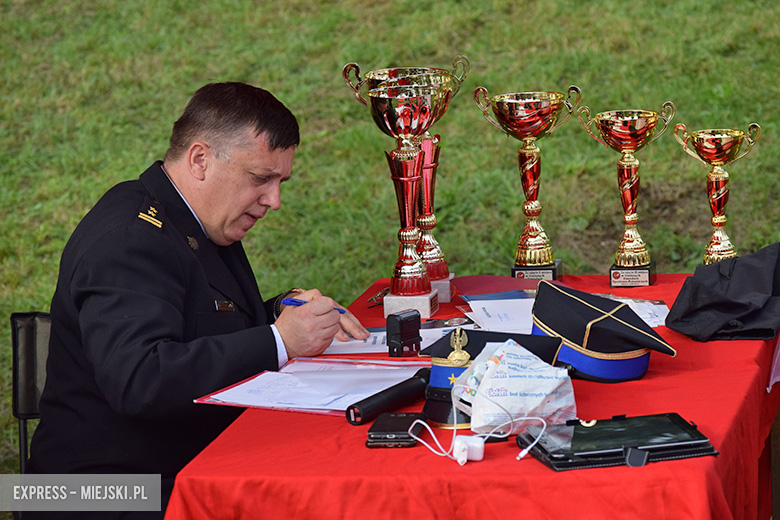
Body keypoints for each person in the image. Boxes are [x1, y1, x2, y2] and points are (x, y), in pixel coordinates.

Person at [26, 82, 370, 518]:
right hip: (98, 493)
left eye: (280, 181)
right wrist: (278, 341)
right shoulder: (130, 239)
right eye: (261, 178)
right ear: (200, 160)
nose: (274, 200)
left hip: (166, 467)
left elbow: (198, 323)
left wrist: (280, 312)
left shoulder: (189, 215)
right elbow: (140, 379)